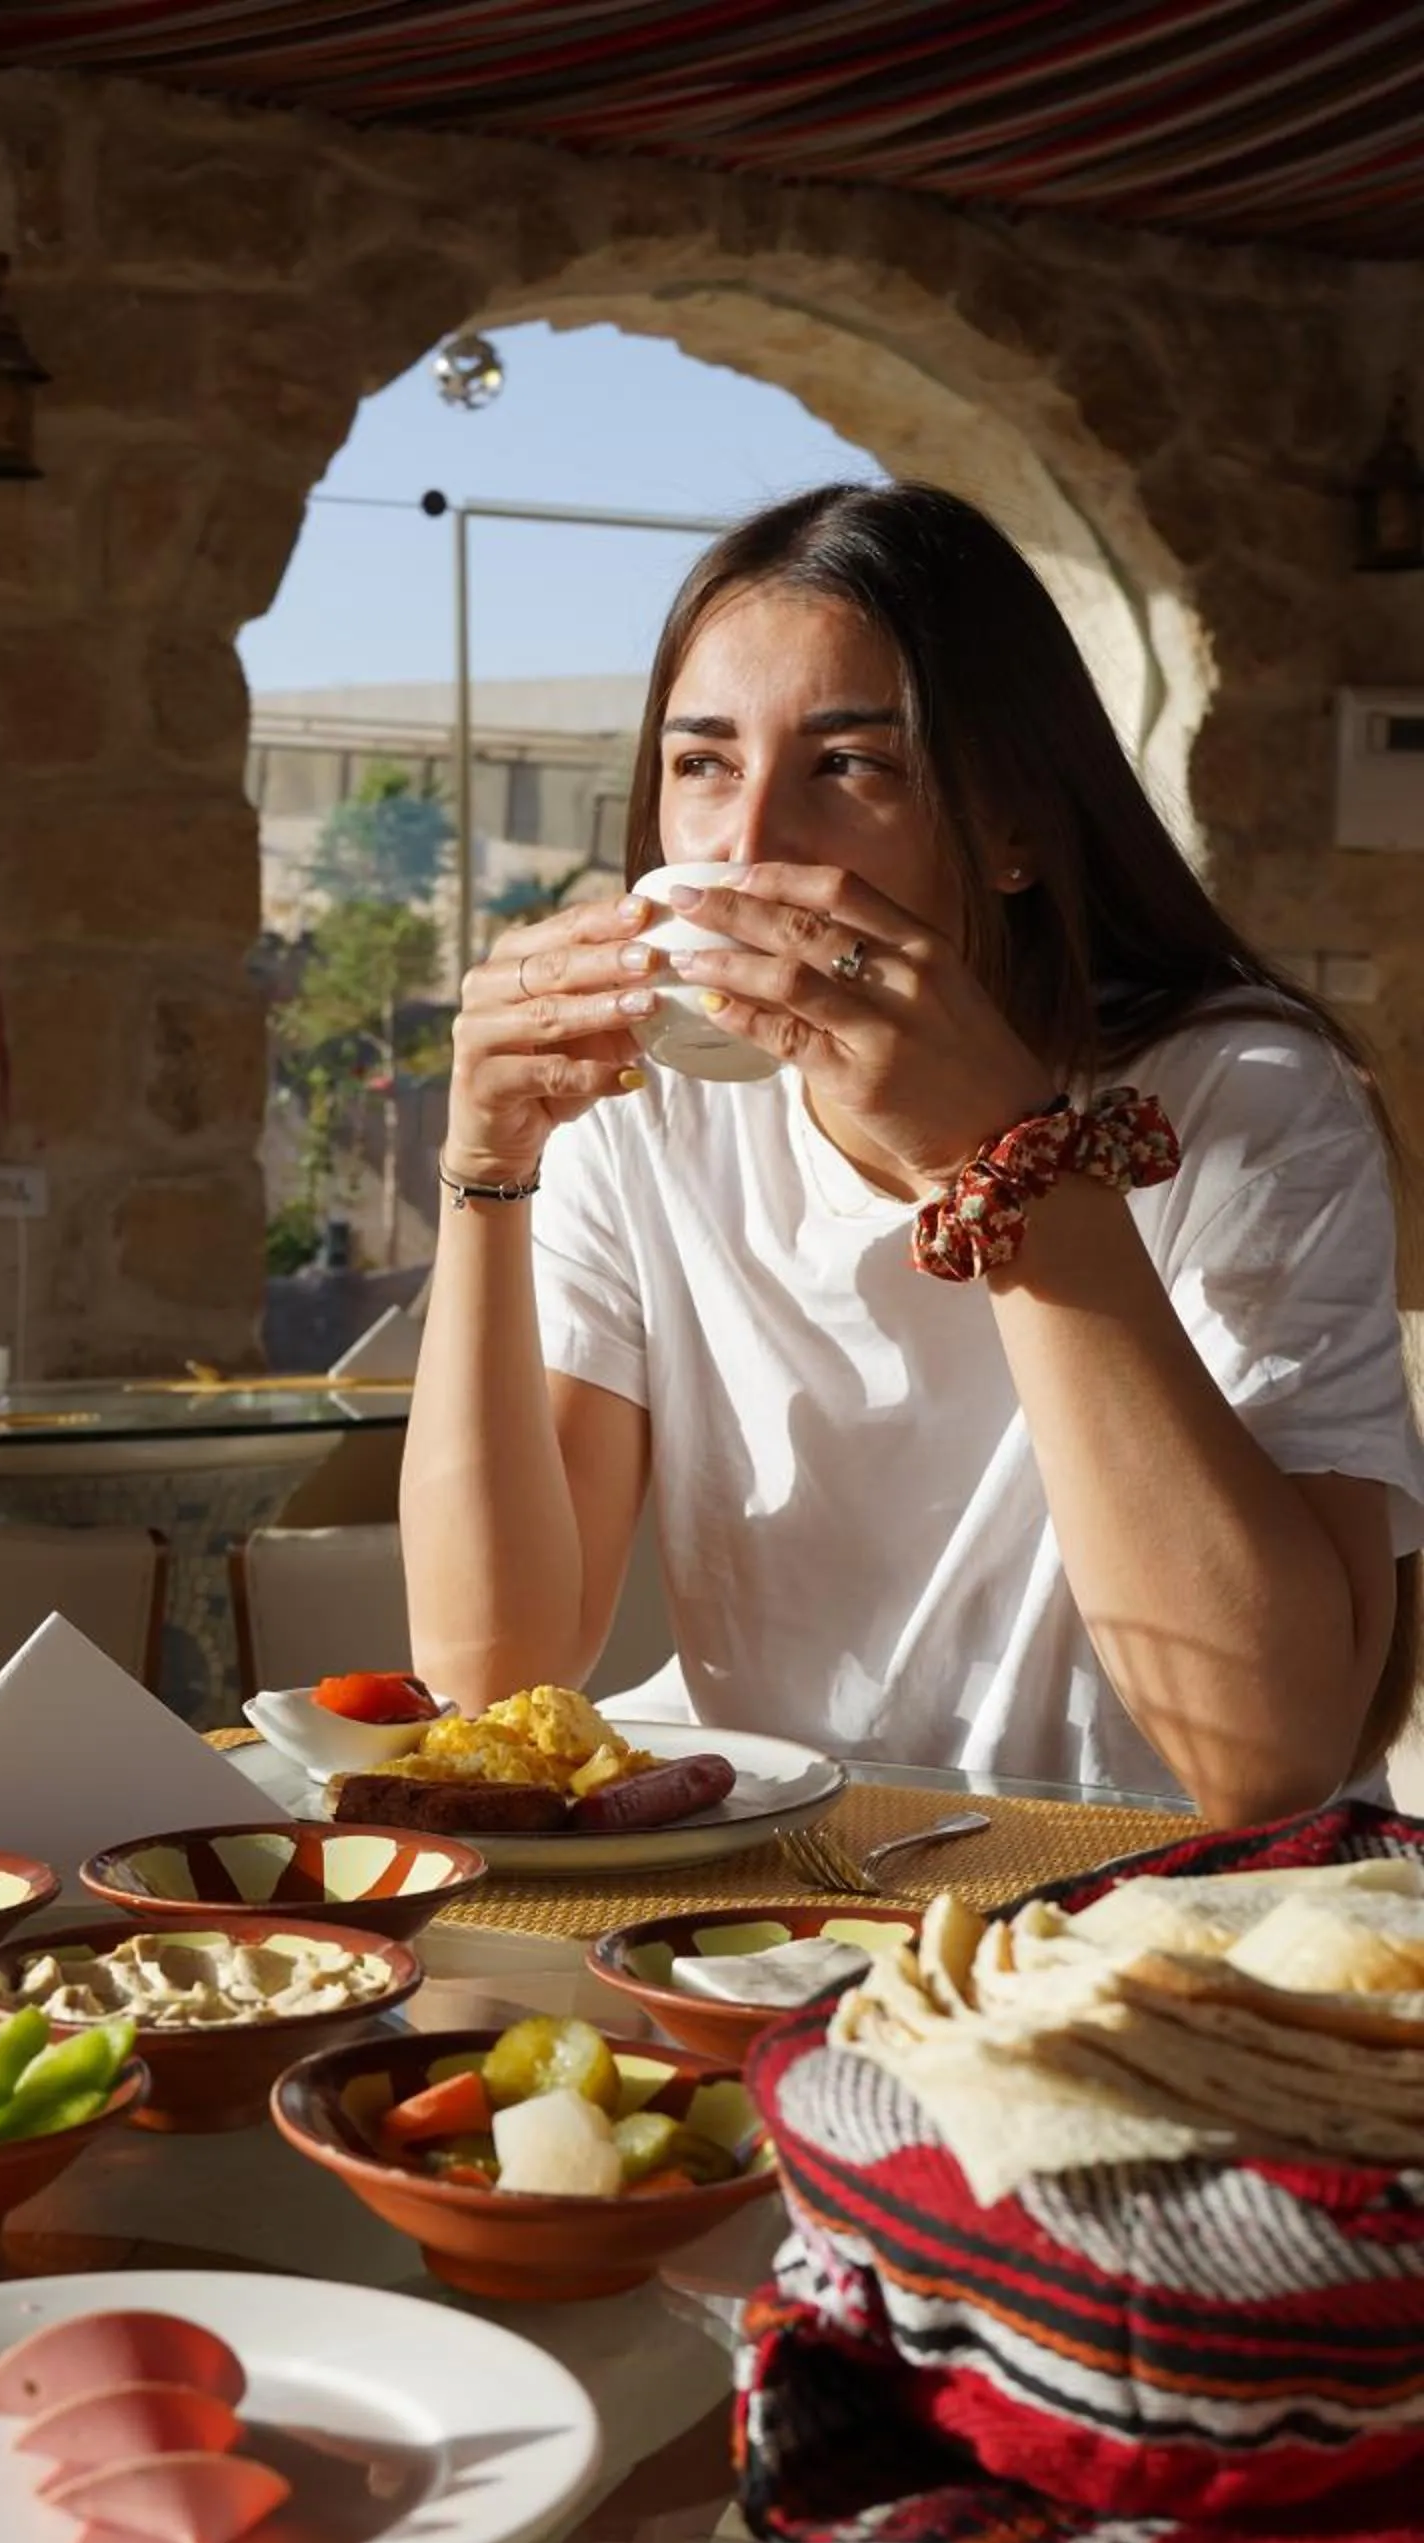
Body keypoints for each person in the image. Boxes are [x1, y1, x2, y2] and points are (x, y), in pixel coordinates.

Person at [399, 482, 1424, 1822]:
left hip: (1135, 1910)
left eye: (849, 765)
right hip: (774, 1899)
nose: (749, 841)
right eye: (702, 762)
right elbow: (489, 1670)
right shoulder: (652, 1103)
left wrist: (1006, 1156)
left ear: (1010, 827)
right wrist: (486, 1174)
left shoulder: (1238, 1099)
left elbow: (1266, 1759)